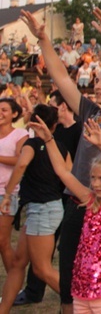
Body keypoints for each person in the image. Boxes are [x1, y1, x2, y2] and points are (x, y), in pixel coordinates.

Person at [20, 6, 101, 314]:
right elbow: (61, 78)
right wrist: (43, 41)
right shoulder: (90, 111)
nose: (97, 85)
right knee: (70, 282)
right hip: (78, 201)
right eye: (97, 80)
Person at [41, 117, 101, 313]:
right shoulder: (90, 201)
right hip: (81, 289)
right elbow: (62, 172)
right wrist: (49, 140)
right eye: (93, 178)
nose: (96, 183)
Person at [0, 105, 68, 314]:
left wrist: (9, 194)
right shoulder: (60, 146)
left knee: (41, 269)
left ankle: (83, 303)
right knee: (19, 262)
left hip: (42, 209)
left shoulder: (31, 144)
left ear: (32, 122)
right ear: (54, 125)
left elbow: (21, 165)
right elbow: (68, 173)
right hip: (45, 208)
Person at [0, 98, 29, 272]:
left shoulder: (20, 134)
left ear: (14, 114)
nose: (0, 113)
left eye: (4, 110)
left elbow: (20, 159)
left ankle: (13, 282)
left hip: (7, 193)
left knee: (3, 241)